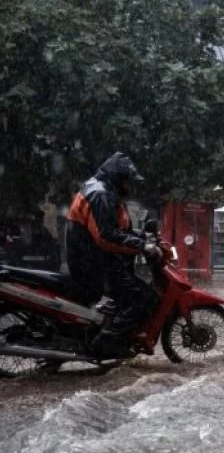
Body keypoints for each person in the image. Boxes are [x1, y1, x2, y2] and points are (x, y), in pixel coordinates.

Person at [66, 152, 161, 358]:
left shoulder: (105, 191)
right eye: (128, 181)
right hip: (94, 264)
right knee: (143, 298)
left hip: (98, 259)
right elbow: (106, 237)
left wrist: (143, 237)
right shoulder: (101, 194)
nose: (130, 186)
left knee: (133, 295)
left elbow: (117, 229)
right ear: (118, 178)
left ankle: (114, 334)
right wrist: (143, 246)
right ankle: (106, 344)